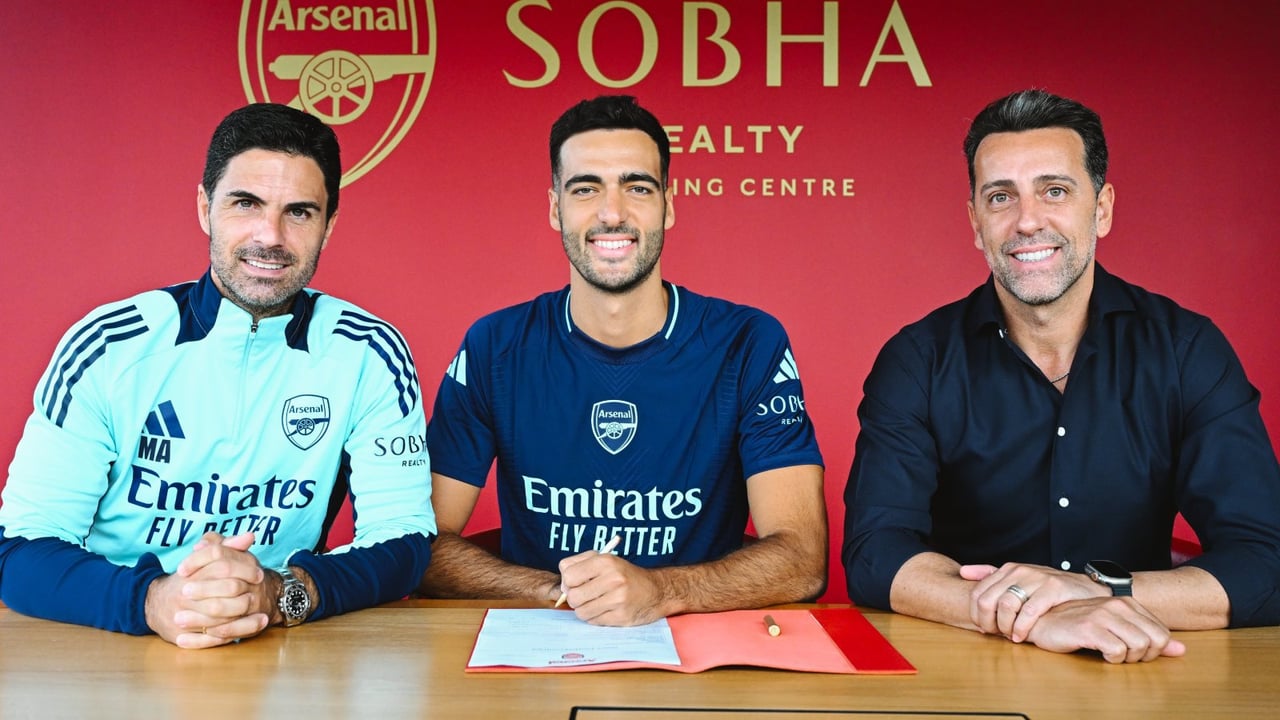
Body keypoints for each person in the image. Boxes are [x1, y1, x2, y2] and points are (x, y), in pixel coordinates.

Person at [842, 88, 1280, 663]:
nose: (1027, 221)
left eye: (1054, 191)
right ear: (975, 222)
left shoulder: (1186, 351)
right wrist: (1031, 614)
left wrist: (1092, 593)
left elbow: (1266, 561)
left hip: (1141, 668)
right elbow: (876, 553)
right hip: (969, 669)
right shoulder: (917, 360)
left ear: (1102, 208)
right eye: (1001, 197)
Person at [0, 103, 436, 649]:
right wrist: (154, 601)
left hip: (277, 645)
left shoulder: (368, 352)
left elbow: (405, 541)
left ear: (328, 227)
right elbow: (21, 550)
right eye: (245, 203)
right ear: (205, 208)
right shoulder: (109, 345)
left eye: (300, 212)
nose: (270, 236)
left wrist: (280, 593)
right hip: (111, 640)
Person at [417, 95, 827, 626]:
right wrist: (562, 593)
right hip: (541, 645)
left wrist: (658, 591)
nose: (612, 213)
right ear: (555, 208)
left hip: (697, 647)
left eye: (637, 187)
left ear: (668, 206)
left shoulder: (747, 342)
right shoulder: (495, 345)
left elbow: (802, 558)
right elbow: (417, 543)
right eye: (585, 189)